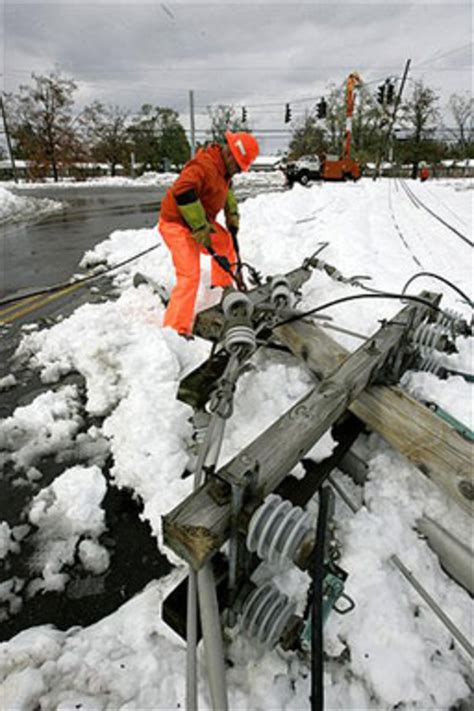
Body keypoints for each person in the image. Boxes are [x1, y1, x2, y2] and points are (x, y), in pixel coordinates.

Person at [158, 131, 260, 337]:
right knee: (189, 275)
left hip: (202, 221)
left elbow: (227, 190)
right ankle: (175, 330)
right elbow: (183, 191)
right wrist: (199, 226)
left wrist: (232, 214)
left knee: (225, 242)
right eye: (238, 167)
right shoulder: (203, 166)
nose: (238, 172)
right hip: (176, 224)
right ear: (230, 154)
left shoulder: (224, 170)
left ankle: (222, 289)